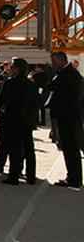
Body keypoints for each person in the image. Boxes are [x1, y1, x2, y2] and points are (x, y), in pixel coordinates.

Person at [46, 51, 83, 188]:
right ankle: (73, 176)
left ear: (62, 60)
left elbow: (54, 87)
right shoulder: (69, 74)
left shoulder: (67, 75)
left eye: (55, 62)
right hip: (70, 116)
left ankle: (74, 178)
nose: (53, 65)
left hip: (68, 116)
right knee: (70, 148)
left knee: (70, 148)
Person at [0, 58, 38, 185]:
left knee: (15, 149)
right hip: (27, 120)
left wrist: (2, 119)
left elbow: (4, 103)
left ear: (16, 69)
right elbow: (35, 103)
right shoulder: (31, 85)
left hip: (13, 120)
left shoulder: (10, 84)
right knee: (29, 148)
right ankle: (31, 175)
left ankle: (14, 176)